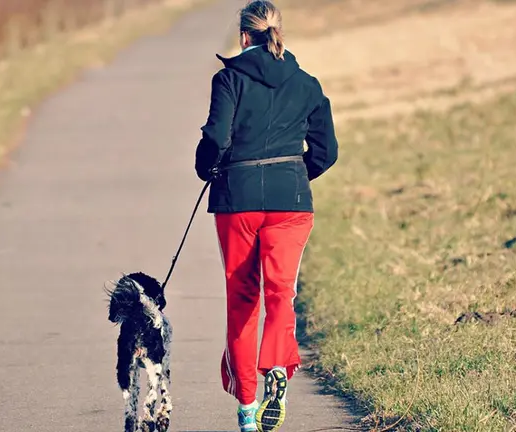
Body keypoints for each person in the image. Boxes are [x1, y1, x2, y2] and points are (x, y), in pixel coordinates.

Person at [194, 1, 338, 431]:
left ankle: (247, 410)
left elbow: (216, 139)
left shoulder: (229, 79)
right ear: (279, 34)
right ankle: (276, 363)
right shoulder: (308, 84)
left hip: (236, 203)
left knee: (242, 303)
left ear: (243, 36)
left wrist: (208, 169)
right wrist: (293, 174)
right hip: (290, 202)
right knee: (280, 295)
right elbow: (327, 151)